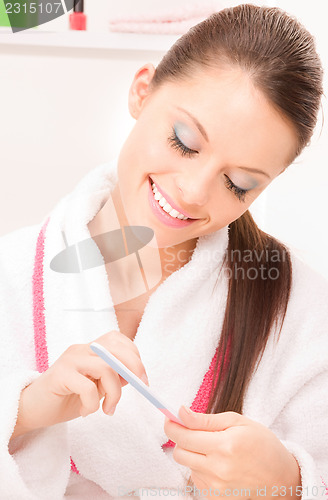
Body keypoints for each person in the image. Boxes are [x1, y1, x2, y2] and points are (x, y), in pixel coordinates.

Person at [0, 3, 327, 499]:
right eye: (184, 142)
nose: (194, 192)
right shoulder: (12, 272)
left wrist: (287, 481)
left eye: (238, 185)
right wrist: (27, 409)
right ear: (142, 91)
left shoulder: (301, 310)